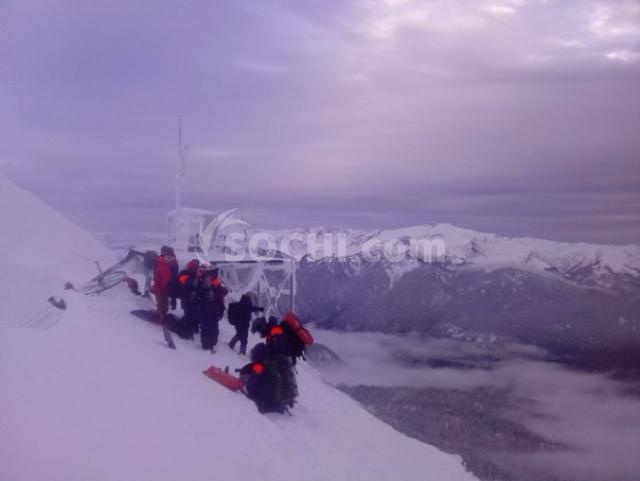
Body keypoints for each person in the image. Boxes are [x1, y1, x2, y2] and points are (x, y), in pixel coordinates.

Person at [250, 316, 299, 408]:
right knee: (286, 377)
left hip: (284, 357)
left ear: (262, 326)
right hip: (285, 356)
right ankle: (288, 398)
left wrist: (269, 352)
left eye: (259, 330)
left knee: (279, 376)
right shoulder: (271, 331)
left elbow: (280, 346)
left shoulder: (274, 330)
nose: (260, 333)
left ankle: (282, 398)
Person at [238, 343, 286, 414]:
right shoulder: (269, 365)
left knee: (248, 382)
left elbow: (250, 387)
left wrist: (243, 385)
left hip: (264, 402)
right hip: (274, 399)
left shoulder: (258, 368)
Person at [190, 267, 228, 352]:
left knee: (205, 327)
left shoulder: (200, 281)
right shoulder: (216, 282)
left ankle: (205, 345)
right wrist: (221, 309)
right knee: (213, 327)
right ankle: (211, 344)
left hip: (203, 308)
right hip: (213, 308)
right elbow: (220, 297)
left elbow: (195, 295)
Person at [151, 245, 178, 325]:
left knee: (164, 304)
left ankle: (162, 315)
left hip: (163, 287)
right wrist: (171, 294)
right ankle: (161, 319)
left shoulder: (166, 263)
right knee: (162, 304)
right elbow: (165, 281)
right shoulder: (164, 265)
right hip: (161, 289)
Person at [176, 259, 200, 338]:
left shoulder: (196, 274)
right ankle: (185, 330)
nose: (194, 268)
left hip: (193, 298)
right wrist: (194, 282)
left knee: (194, 313)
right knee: (188, 314)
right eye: (193, 267)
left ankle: (193, 328)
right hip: (186, 297)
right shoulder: (184, 273)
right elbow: (184, 283)